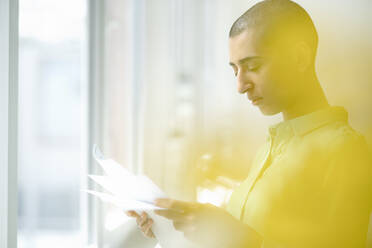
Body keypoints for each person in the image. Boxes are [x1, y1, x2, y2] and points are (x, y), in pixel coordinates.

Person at [127, 0, 372, 247]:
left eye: (253, 66)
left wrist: (237, 236)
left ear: (300, 57)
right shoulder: (271, 146)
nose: (241, 86)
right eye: (235, 71)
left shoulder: (345, 150)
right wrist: (174, 227)